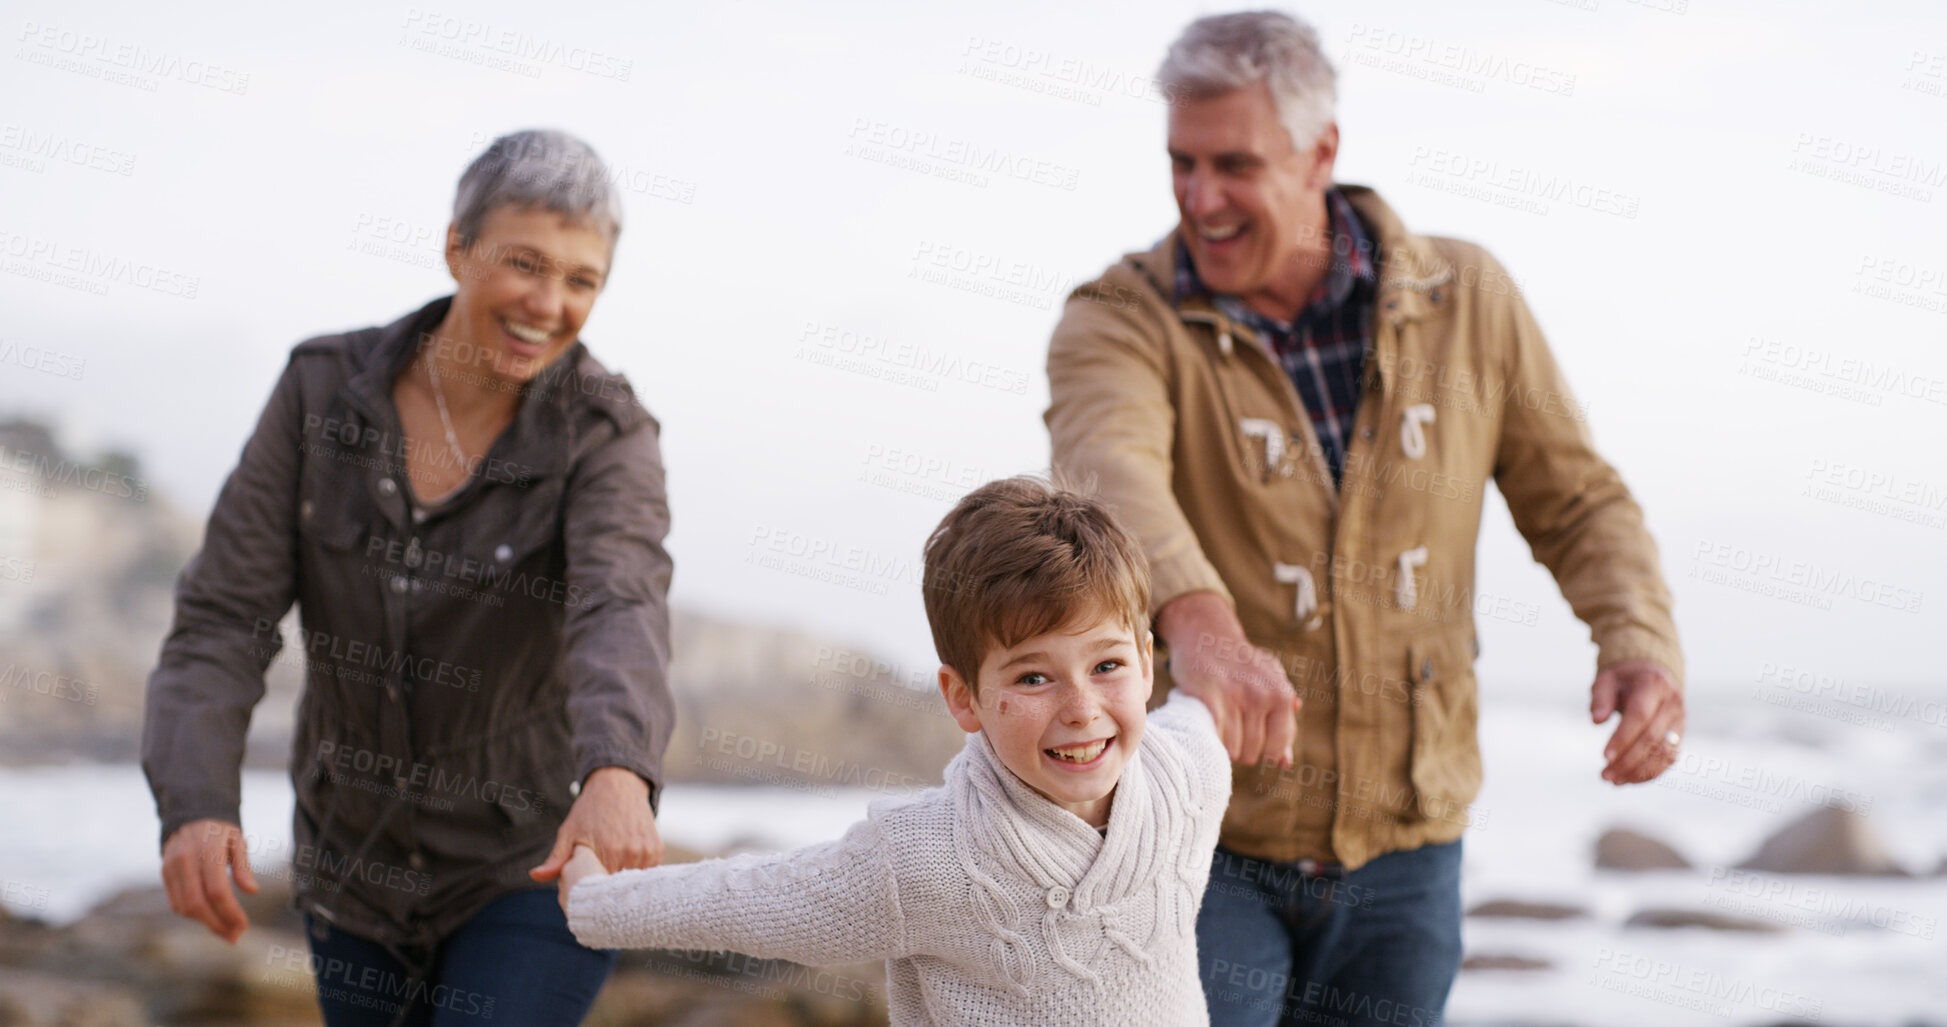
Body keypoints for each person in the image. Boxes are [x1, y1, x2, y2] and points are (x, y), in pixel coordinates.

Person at [1043, 12, 1686, 1027]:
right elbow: (1108, 475)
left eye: (1233, 165)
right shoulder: (1117, 318)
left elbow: (1578, 500)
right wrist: (1202, 626)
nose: (1199, 198)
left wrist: (1639, 639)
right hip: (1197, 832)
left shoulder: (1468, 299)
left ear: (1322, 152)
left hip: (1408, 851)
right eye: (1182, 162)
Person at [141, 129, 674, 1027]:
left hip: (533, 862)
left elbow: (617, 601)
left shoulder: (605, 431)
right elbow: (223, 617)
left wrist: (618, 768)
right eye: (525, 264)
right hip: (354, 868)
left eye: (581, 280)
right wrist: (196, 799)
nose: (549, 303)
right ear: (456, 246)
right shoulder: (320, 393)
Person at [558, 476, 1235, 1026]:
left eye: (1107, 665)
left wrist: (1221, 675)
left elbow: (1203, 709)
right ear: (962, 696)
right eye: (1033, 676)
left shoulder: (1190, 772)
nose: (1081, 708)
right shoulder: (922, 857)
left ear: (1147, 662)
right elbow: (753, 898)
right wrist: (596, 899)